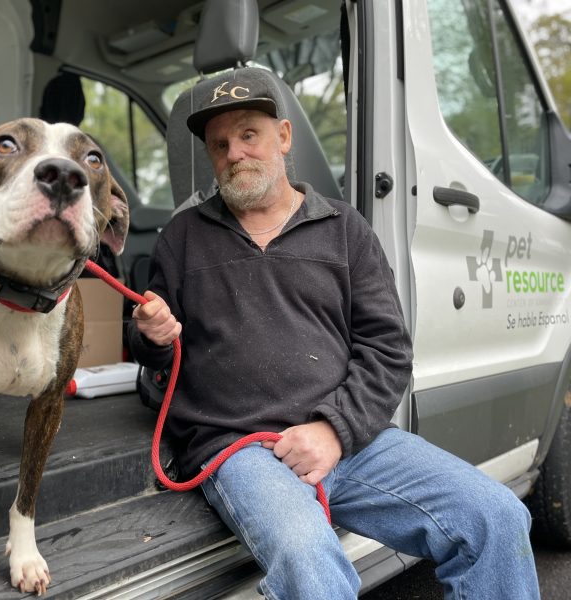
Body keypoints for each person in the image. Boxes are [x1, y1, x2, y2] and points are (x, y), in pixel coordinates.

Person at [127, 69, 539, 599]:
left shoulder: (345, 228)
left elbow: (388, 350)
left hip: (354, 442)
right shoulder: (182, 237)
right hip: (239, 446)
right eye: (219, 144)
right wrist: (154, 335)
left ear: (283, 136)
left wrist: (332, 431)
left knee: (497, 517)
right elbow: (155, 356)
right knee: (309, 561)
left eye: (248, 134)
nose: (234, 153)